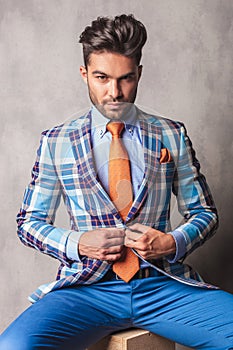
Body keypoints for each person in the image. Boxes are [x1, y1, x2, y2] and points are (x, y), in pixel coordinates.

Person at [1, 14, 233, 350]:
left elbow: (204, 212)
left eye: (125, 79)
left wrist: (172, 242)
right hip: (86, 291)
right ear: (85, 75)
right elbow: (28, 223)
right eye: (102, 78)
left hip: (160, 285)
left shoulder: (171, 134)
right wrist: (78, 243)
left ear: (139, 73)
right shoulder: (56, 142)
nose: (115, 92)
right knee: (14, 346)